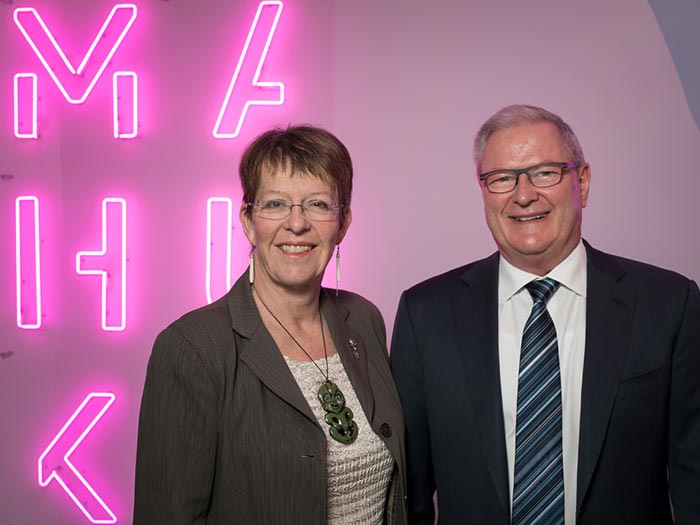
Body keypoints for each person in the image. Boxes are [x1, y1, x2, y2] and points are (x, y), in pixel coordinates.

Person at [390, 104, 700, 524]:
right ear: (483, 192)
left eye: (544, 173)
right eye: (502, 178)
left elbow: (693, 476)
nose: (523, 194)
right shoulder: (424, 315)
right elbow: (411, 495)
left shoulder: (669, 303)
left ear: (583, 182)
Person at [134, 125, 407, 524]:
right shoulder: (192, 348)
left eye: (317, 205)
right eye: (276, 204)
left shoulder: (364, 321)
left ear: (343, 222)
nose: (296, 224)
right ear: (248, 220)